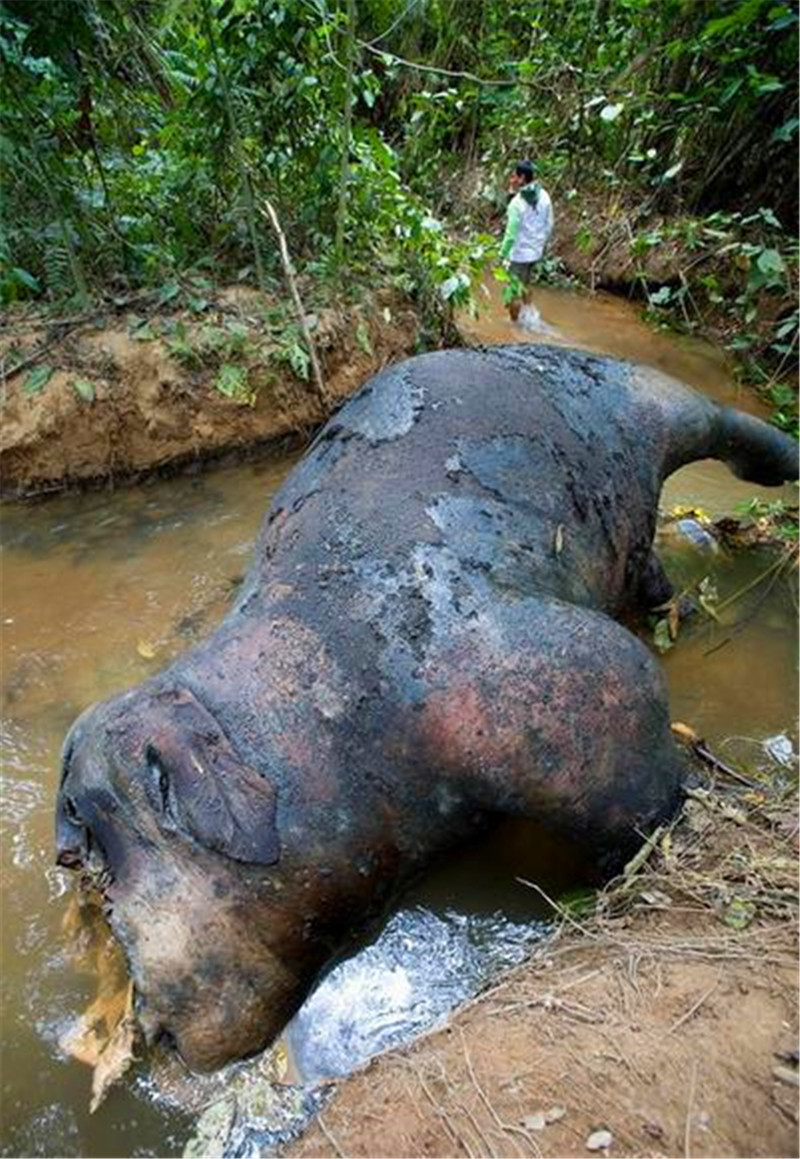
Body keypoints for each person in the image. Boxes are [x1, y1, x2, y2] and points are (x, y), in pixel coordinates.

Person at [499, 159, 554, 323]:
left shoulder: (517, 204)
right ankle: (531, 316)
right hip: (535, 252)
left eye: (514, 176)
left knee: (512, 292)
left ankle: (515, 327)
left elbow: (510, 235)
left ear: (522, 178)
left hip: (519, 255)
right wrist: (540, 244)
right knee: (525, 285)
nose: (511, 180)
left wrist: (502, 255)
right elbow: (550, 224)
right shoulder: (544, 196)